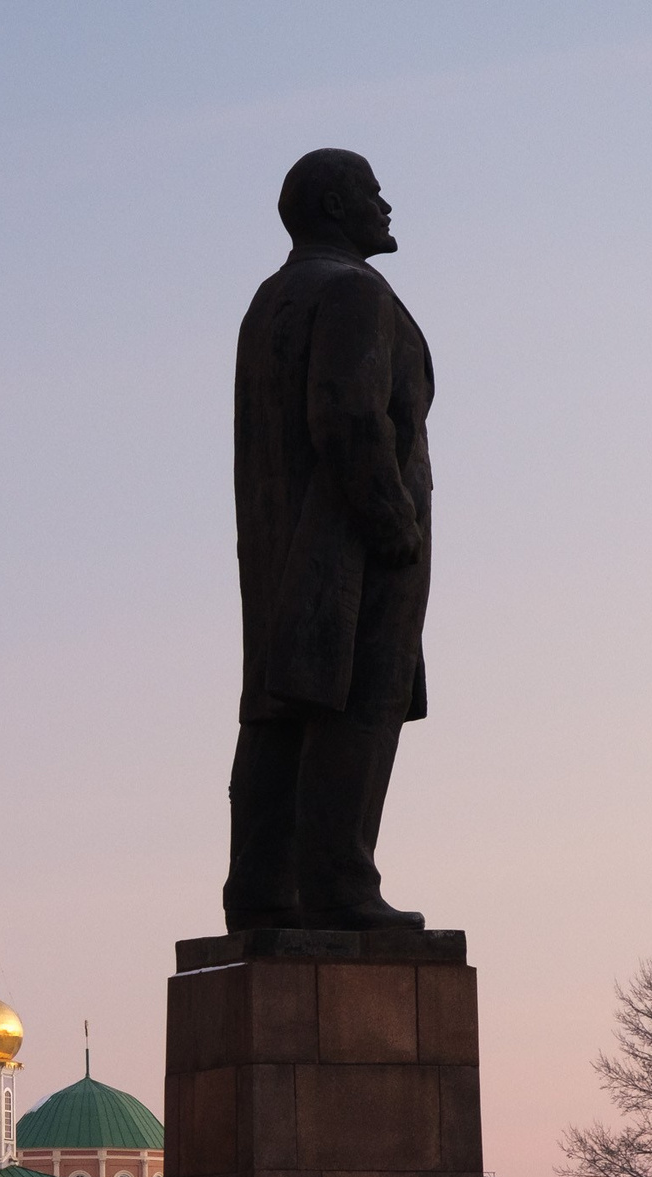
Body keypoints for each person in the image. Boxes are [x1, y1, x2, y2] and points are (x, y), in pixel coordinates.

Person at [224, 148, 435, 932]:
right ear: (336, 207)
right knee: (354, 704)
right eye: (373, 193)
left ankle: (260, 890)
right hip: (350, 545)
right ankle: (341, 884)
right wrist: (395, 525)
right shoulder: (351, 292)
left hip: (278, 545)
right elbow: (349, 418)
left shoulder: (270, 299)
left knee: (280, 709)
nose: (387, 205)